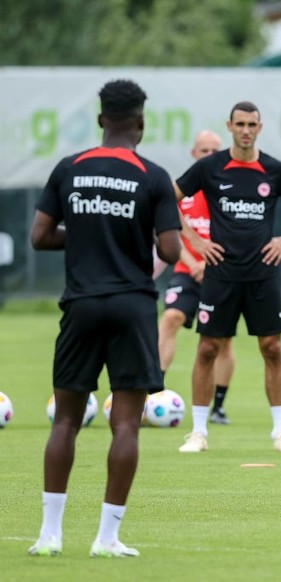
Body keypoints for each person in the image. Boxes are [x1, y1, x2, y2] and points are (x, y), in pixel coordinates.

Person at [28, 79, 182, 558]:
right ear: (140, 122)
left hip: (80, 304)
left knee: (66, 422)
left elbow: (39, 236)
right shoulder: (153, 176)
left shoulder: (68, 169)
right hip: (132, 305)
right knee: (126, 425)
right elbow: (171, 249)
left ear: (100, 120)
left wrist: (90, 234)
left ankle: (49, 535)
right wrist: (129, 236)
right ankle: (106, 538)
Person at [175, 101, 281, 454]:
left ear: (260, 127)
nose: (245, 130)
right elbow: (169, 198)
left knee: (272, 348)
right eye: (239, 124)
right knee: (208, 348)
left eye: (251, 124)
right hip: (220, 274)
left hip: (262, 274)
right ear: (229, 126)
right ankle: (198, 432)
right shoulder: (211, 166)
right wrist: (194, 241)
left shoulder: (271, 169)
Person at [158, 130, 236, 425]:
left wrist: (215, 265)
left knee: (222, 341)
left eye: (214, 150)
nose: (208, 155)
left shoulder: (231, 189)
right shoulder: (183, 192)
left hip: (222, 273)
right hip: (188, 270)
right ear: (194, 154)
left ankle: (217, 405)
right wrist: (194, 265)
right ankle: (156, 390)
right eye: (203, 150)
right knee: (170, 319)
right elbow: (170, 233)